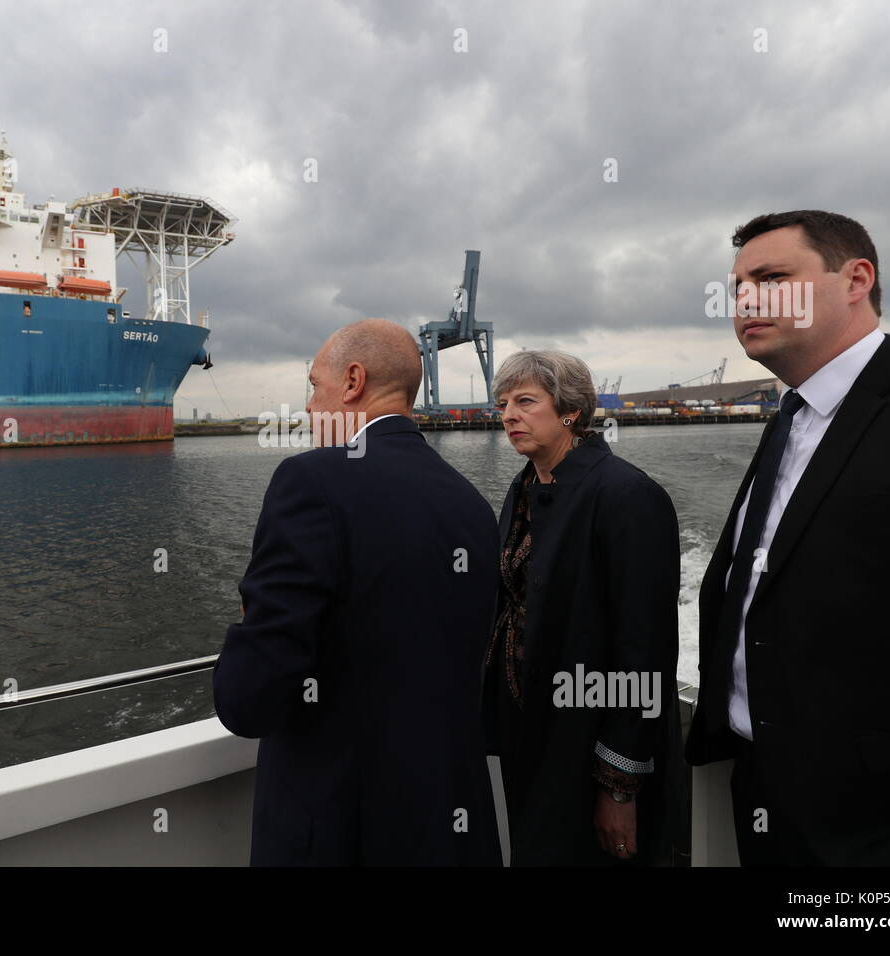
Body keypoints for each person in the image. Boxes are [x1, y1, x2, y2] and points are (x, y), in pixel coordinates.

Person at [684, 210, 890, 865]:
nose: (746, 299)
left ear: (856, 280)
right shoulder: (789, 421)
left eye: (772, 277)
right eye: (737, 287)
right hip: (762, 793)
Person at [213, 318, 502, 866]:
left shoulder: (311, 482)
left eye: (314, 387)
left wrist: (251, 622)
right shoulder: (471, 503)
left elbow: (248, 701)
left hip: (345, 832)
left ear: (352, 381)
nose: (308, 408)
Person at [484, 349, 683, 865]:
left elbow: (643, 651)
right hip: (529, 735)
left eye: (525, 401)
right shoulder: (526, 487)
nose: (508, 415)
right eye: (503, 403)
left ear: (570, 409)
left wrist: (618, 785)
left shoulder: (626, 496)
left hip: (584, 743)